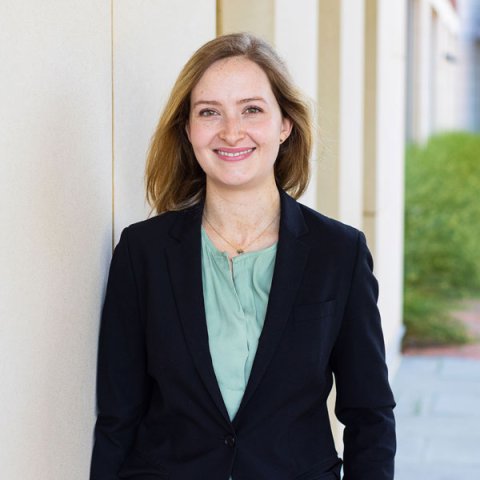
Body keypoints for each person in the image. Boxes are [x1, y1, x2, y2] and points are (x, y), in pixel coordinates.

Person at [90, 32, 396, 480]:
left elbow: (369, 414)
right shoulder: (143, 253)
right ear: (189, 130)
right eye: (209, 112)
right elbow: (118, 417)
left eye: (252, 109)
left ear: (284, 124)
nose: (231, 131)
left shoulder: (339, 253)